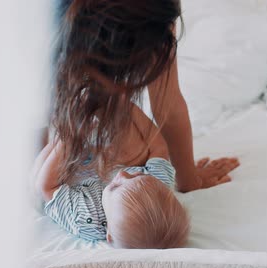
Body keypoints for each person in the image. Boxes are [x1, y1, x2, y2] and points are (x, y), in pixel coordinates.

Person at [51, 0, 239, 192]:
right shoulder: (46, 29)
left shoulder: (159, 10)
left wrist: (189, 180)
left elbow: (169, 104)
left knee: (136, 148)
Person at [33, 104, 190, 248]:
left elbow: (46, 186)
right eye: (135, 176)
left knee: (36, 177)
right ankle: (105, 102)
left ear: (109, 233)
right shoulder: (159, 184)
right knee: (139, 146)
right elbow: (159, 147)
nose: (123, 174)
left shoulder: (87, 218)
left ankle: (56, 132)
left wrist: (71, 137)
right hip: (100, 160)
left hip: (66, 179)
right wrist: (127, 106)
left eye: (115, 187)